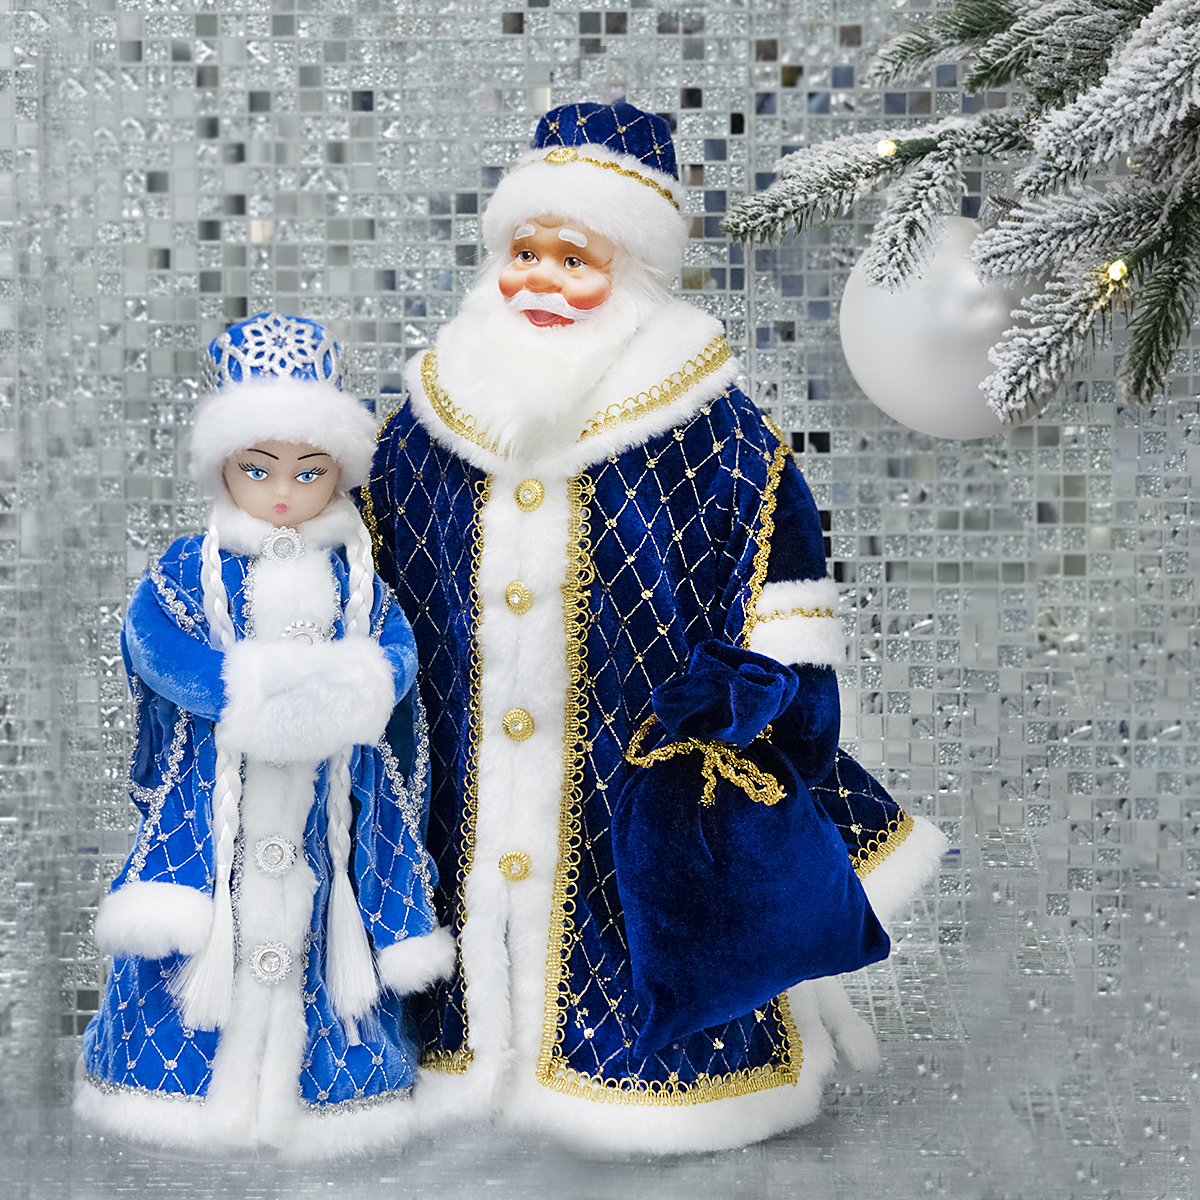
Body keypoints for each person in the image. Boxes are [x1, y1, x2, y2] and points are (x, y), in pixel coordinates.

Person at [362, 103, 948, 1154]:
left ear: (630, 270)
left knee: (637, 913)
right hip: (464, 776)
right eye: (524, 253)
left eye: (573, 259)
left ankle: (653, 1075)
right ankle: (467, 1054)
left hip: (643, 770)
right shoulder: (427, 420)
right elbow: (368, 563)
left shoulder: (713, 428)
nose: (541, 280)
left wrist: (772, 711)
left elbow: (786, 596)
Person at [75, 314, 453, 1158]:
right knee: (210, 931)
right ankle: (180, 1090)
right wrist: (258, 694)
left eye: (309, 471)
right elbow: (155, 645)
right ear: (224, 466)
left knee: (323, 925)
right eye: (259, 468)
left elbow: (397, 657)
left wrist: (349, 691)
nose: (283, 492)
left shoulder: (358, 580)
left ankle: (325, 1098)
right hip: (217, 815)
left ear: (338, 472)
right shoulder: (187, 569)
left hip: (326, 816)